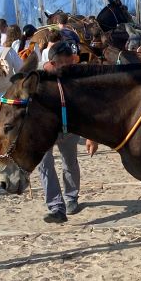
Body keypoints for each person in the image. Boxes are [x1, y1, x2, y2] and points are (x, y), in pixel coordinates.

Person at [38, 39, 98, 223]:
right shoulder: (41, 78)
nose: (70, 66)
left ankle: (71, 197)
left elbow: (89, 106)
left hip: (71, 128)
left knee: (69, 162)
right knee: (44, 165)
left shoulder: (79, 77)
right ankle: (56, 206)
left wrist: (91, 136)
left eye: (71, 61)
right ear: (53, 63)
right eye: (65, 63)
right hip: (46, 130)